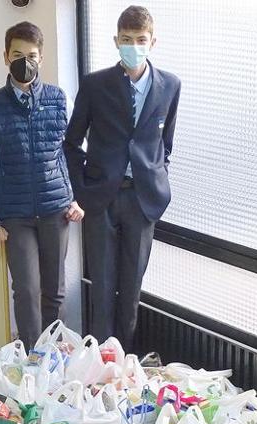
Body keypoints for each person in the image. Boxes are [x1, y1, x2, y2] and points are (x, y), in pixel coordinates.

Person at [65, 4, 180, 351]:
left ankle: (125, 368)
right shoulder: (95, 84)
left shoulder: (170, 85)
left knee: (131, 290)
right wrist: (82, 189)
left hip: (143, 200)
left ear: (152, 41)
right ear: (116, 41)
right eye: (127, 39)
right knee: (102, 287)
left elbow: (166, 144)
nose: (133, 45)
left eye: (140, 39)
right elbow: (71, 142)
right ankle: (99, 366)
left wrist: (157, 180)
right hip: (101, 199)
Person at [0, 22, 83, 349]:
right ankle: (33, 356)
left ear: (42, 58)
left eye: (32, 55)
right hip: (16, 214)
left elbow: (69, 153)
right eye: (18, 54)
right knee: (26, 289)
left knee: (55, 289)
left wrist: (75, 199)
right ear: (5, 57)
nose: (25, 61)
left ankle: (54, 353)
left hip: (56, 209)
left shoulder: (57, 99)